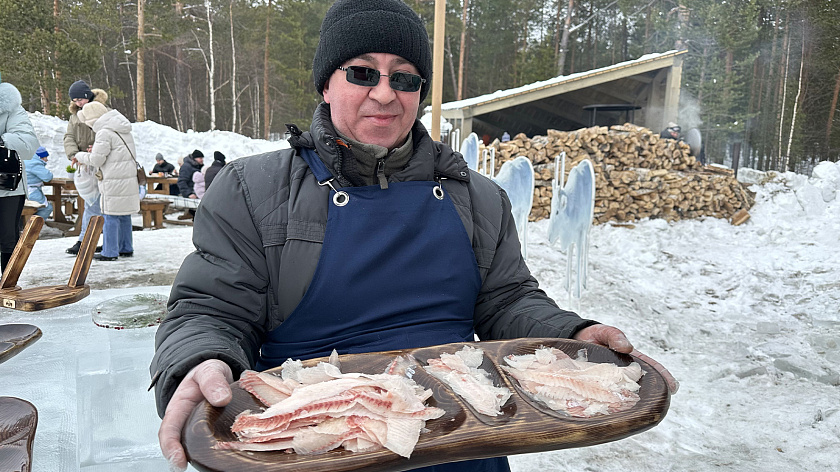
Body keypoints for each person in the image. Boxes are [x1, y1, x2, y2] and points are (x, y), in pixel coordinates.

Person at [150, 1, 678, 471]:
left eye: (404, 78)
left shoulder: (478, 197)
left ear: (421, 92)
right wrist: (200, 361)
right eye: (362, 73)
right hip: (319, 439)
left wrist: (573, 333)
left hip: (462, 441)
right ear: (326, 84)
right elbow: (209, 311)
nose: (384, 93)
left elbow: (507, 300)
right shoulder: (252, 190)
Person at [71, 101, 139, 261]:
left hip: (113, 180)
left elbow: (96, 160)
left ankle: (110, 251)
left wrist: (79, 155)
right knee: (123, 214)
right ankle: (125, 247)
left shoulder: (104, 132)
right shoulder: (121, 128)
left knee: (110, 214)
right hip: (126, 177)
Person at [64, 80, 108, 255]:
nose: (77, 103)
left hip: (100, 163)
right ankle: (88, 239)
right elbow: (69, 137)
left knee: (96, 204)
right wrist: (73, 154)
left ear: (87, 96)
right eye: (74, 100)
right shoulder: (74, 116)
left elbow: (108, 135)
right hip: (84, 164)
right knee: (91, 203)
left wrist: (96, 148)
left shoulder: (104, 111)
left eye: (79, 99)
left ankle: (86, 240)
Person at [0, 77, 39, 273]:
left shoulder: (11, 108)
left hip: (6, 187)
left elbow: (28, 145)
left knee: (7, 240)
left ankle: (8, 288)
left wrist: (2, 140)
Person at [24, 146, 53, 218]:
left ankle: (27, 224)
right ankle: (34, 227)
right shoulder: (34, 164)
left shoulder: (26, 160)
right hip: (31, 192)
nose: (46, 159)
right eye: (45, 157)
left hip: (22, 192)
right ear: (40, 157)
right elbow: (47, 177)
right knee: (47, 208)